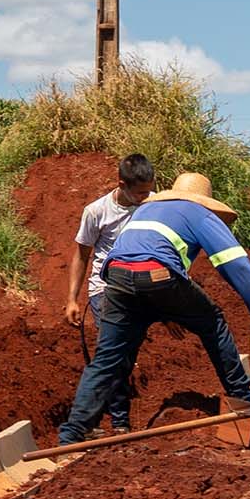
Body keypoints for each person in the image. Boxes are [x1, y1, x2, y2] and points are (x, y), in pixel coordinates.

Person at [56, 172, 250, 442]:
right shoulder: (199, 213)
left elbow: (139, 258)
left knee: (107, 359)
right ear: (205, 201)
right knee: (213, 323)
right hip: (157, 276)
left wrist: (166, 310)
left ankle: (72, 433)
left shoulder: (148, 210)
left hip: (116, 279)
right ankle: (245, 405)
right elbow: (233, 261)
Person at [61, 153, 156, 430]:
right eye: (139, 192)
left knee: (126, 355)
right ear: (121, 184)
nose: (144, 197)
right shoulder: (97, 211)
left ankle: (107, 414)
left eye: (148, 191)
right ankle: (118, 421)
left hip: (141, 288)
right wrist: (71, 300)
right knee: (112, 353)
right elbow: (81, 255)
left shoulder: (154, 204)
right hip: (106, 290)